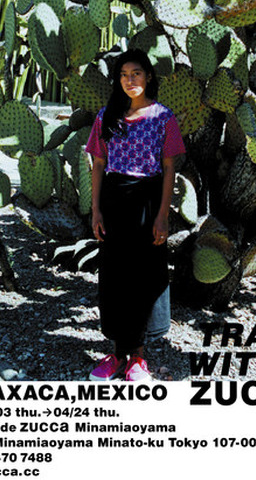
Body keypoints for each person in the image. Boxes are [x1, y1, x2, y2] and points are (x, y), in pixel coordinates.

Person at [85, 49, 185, 381]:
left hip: (147, 199)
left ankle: (138, 358)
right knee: (114, 277)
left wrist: (162, 215)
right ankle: (116, 353)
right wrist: (96, 209)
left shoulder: (164, 117)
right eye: (124, 74)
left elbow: (170, 168)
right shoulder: (106, 116)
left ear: (149, 77)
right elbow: (98, 163)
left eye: (137, 73)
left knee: (143, 276)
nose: (130, 80)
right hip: (113, 200)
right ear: (118, 80)